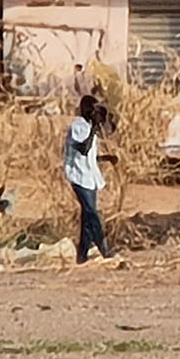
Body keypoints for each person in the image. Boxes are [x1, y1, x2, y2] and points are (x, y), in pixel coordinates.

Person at [65, 94, 115, 265]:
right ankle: (105, 250)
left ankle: (82, 255)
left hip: (90, 177)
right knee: (92, 215)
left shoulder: (88, 127)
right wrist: (94, 128)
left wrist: (107, 158)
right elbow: (83, 149)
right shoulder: (78, 126)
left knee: (88, 218)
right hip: (78, 176)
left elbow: (90, 157)